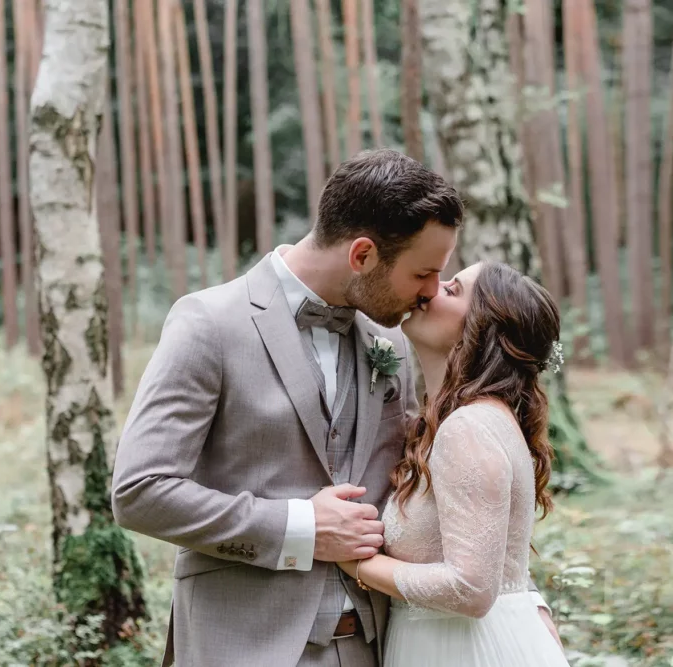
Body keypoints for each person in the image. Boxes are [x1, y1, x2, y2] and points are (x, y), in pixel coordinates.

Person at [111, 149, 556, 667]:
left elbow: (450, 489)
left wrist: (516, 604)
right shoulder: (209, 324)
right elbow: (140, 491)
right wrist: (300, 528)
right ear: (363, 255)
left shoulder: (386, 339)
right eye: (423, 274)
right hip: (245, 644)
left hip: (381, 647)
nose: (431, 293)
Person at [336, 261, 569, 667]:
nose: (433, 288)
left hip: (466, 649)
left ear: (482, 330)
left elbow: (472, 588)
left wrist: (354, 560)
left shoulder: (469, 428)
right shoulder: (465, 420)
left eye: (454, 289)